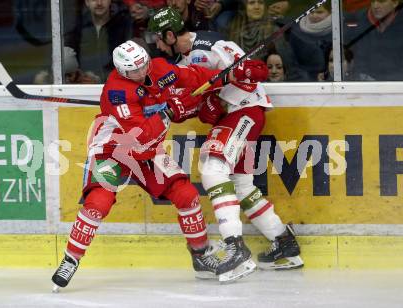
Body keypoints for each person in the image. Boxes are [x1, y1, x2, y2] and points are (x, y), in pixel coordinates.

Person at [51, 40, 248, 291]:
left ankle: (200, 256)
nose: (142, 72)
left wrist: (228, 75)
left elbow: (194, 77)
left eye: (144, 64)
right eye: (135, 70)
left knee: (186, 195)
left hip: (148, 152)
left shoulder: (157, 69)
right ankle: (71, 259)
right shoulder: (117, 92)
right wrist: (167, 111)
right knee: (97, 204)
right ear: (123, 71)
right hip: (114, 150)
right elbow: (140, 135)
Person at [149, 6, 303, 273]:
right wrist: (175, 108)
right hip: (232, 117)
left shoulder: (212, 44)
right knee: (241, 184)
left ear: (171, 35)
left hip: (246, 110)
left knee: (212, 168)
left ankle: (235, 247)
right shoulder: (181, 65)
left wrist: (236, 73)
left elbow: (257, 71)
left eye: (159, 39)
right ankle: (283, 241)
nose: (158, 46)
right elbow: (197, 107)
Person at [64, 0, 132, 82]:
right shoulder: (78, 28)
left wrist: (99, 79)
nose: (99, 3)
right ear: (87, 2)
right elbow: (67, 57)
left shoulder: (124, 25)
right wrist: (78, 76)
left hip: (116, 87)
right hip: (84, 88)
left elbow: (130, 62)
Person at [343, 0, 403, 81]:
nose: (375, 6)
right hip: (366, 82)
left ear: (395, 3)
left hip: (397, 83)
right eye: (373, 1)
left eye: (381, 1)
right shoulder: (360, 19)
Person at [287, 0, 332, 81]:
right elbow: (292, 63)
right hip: (306, 82)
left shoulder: (339, 30)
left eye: (319, 12)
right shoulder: (297, 33)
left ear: (330, 13)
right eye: (311, 12)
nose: (314, 15)